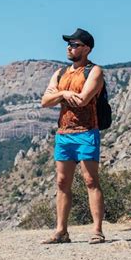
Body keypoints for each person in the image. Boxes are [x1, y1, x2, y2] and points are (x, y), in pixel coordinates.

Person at [40, 28, 105, 244]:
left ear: (86, 48)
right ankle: (61, 231)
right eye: (69, 44)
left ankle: (97, 230)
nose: (69, 47)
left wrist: (58, 96)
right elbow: (44, 101)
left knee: (90, 180)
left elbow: (84, 100)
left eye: (75, 44)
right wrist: (64, 93)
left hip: (87, 131)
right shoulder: (60, 73)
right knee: (61, 182)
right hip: (64, 133)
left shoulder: (94, 71)